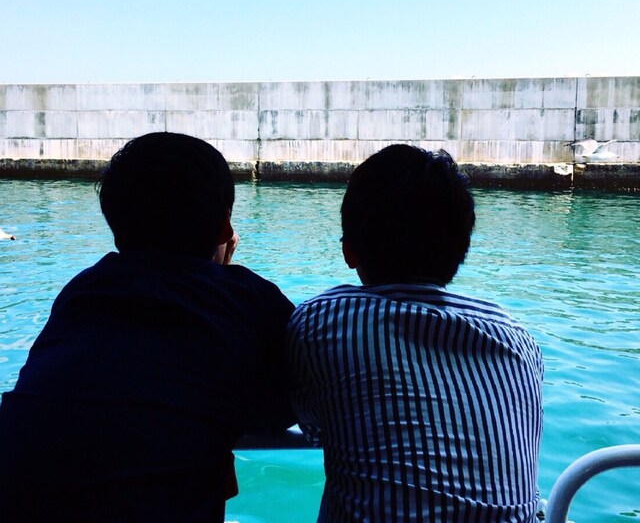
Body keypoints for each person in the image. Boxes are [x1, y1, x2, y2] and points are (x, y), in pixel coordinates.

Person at [0, 132, 295, 522]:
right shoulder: (247, 297)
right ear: (225, 226)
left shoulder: (82, 291)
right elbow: (282, 410)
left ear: (115, 222)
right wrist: (220, 271)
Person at [287, 144, 544, 523]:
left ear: (349, 252)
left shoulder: (322, 320)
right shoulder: (518, 339)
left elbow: (313, 427)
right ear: (461, 248)